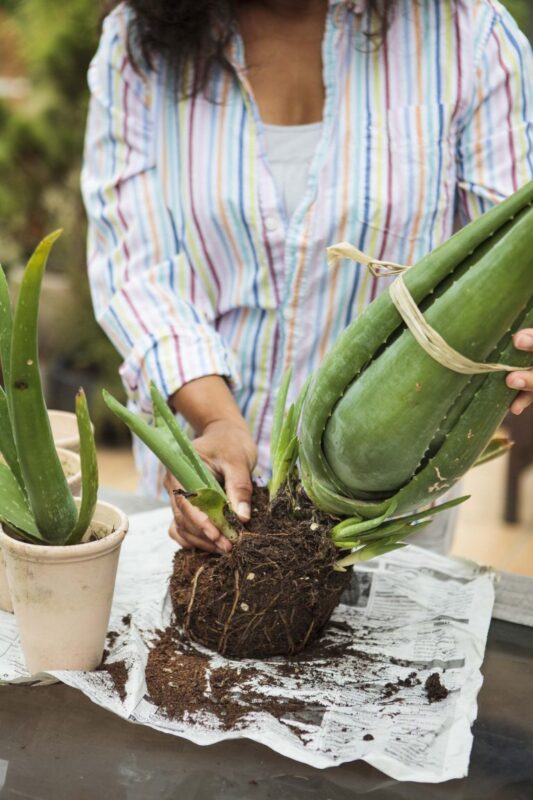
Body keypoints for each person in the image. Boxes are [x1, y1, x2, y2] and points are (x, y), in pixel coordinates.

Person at [82, 0, 533, 556]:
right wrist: (217, 420)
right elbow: (136, 270)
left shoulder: (468, 35)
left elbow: (514, 256)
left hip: (384, 514)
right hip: (204, 499)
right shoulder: (137, 47)